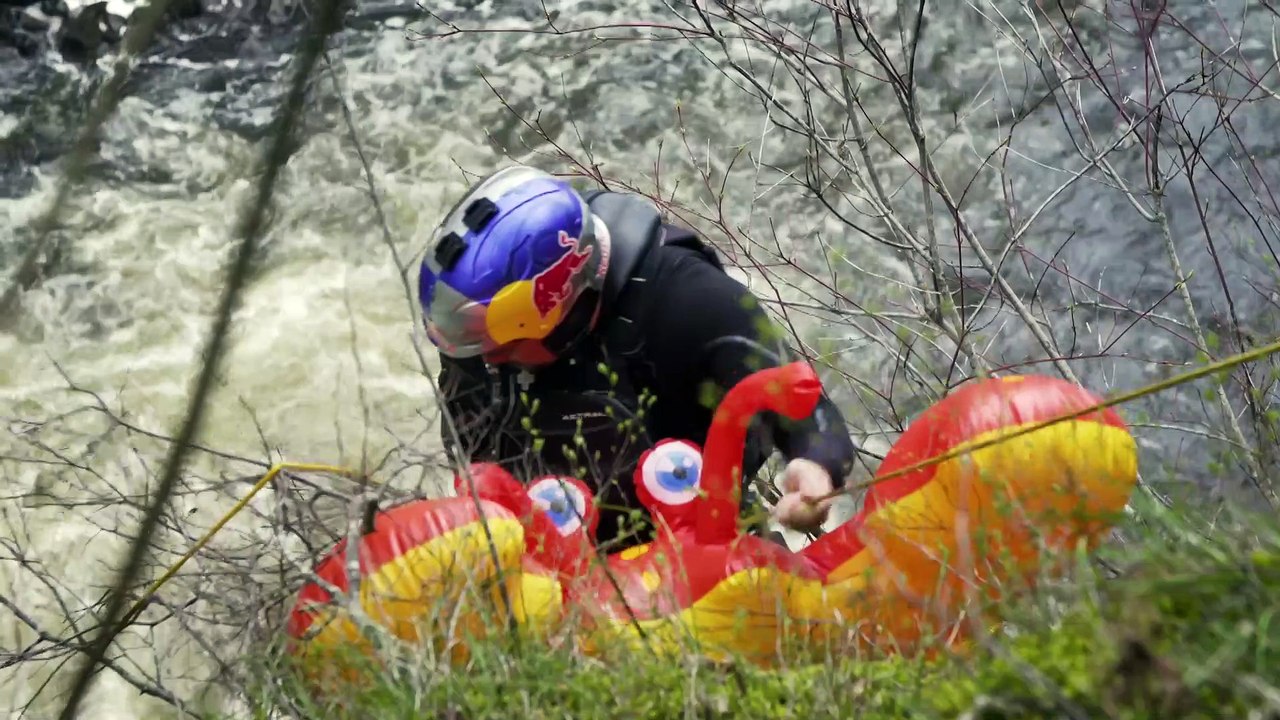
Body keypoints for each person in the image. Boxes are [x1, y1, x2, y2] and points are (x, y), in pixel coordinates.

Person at [417, 164, 858, 549]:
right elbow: (469, 446)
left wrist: (816, 468)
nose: (490, 360)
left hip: (693, 539)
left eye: (502, 345)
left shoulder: (690, 301)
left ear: (562, 301)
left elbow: (802, 403)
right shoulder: (482, 332)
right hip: (545, 541)